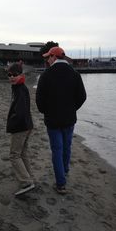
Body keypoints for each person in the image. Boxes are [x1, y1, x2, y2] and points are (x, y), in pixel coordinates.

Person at [36, 46, 87, 194]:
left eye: (48, 57)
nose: (47, 60)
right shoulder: (75, 74)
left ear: (53, 57)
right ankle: (64, 170)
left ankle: (61, 183)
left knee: (57, 150)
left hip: (52, 120)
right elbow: (82, 97)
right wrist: (72, 109)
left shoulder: (46, 75)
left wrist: (46, 111)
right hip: (69, 119)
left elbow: (39, 99)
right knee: (67, 146)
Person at [6, 62, 35, 196]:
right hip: (26, 125)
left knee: (14, 155)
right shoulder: (17, 87)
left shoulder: (20, 89)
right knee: (23, 153)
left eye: (14, 75)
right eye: (9, 75)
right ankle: (29, 177)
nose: (11, 77)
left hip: (21, 127)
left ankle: (26, 181)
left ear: (21, 75)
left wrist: (12, 123)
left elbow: (21, 112)